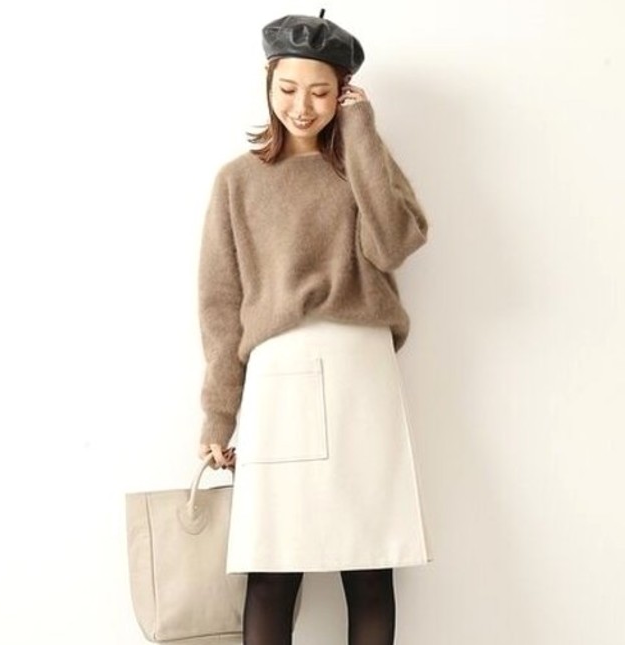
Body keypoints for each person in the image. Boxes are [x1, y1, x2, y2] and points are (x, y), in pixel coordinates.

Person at [197, 10, 431, 645]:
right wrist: (218, 416)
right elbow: (221, 306)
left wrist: (361, 131)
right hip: (278, 379)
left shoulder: (363, 164)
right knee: (272, 567)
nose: (302, 107)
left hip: (362, 374)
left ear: (344, 93)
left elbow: (394, 243)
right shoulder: (237, 181)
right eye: (288, 89)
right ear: (268, 83)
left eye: (322, 92)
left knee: (370, 562)